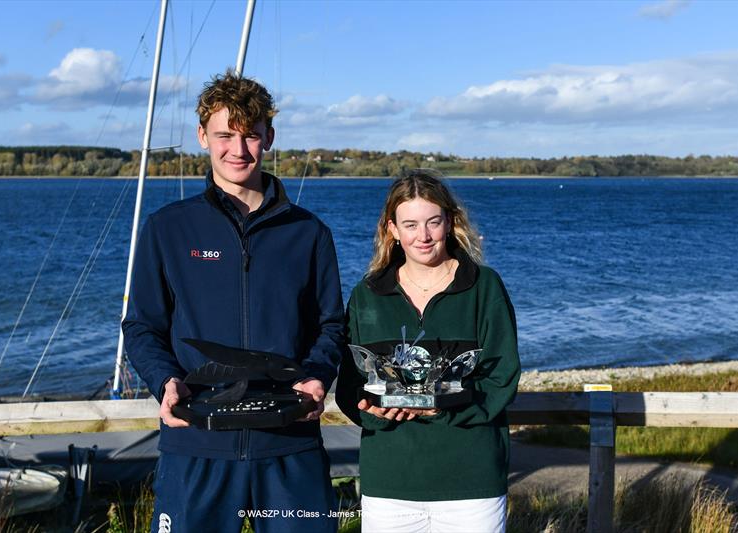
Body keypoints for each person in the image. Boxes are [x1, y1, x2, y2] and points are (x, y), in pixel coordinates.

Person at [123, 70, 344, 533]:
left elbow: (331, 324)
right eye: (225, 135)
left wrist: (317, 376)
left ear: (269, 137)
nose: (238, 150)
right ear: (202, 135)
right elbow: (142, 325)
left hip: (289, 444)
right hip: (196, 444)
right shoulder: (168, 229)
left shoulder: (308, 233)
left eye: (251, 136)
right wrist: (164, 381)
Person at [335, 170, 520, 533]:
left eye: (433, 222)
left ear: (450, 222)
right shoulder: (367, 295)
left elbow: (503, 377)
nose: (423, 236)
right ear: (392, 229)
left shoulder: (485, 287)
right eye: (410, 224)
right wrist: (374, 410)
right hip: (390, 484)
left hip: (472, 483)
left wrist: (446, 402)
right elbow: (350, 386)